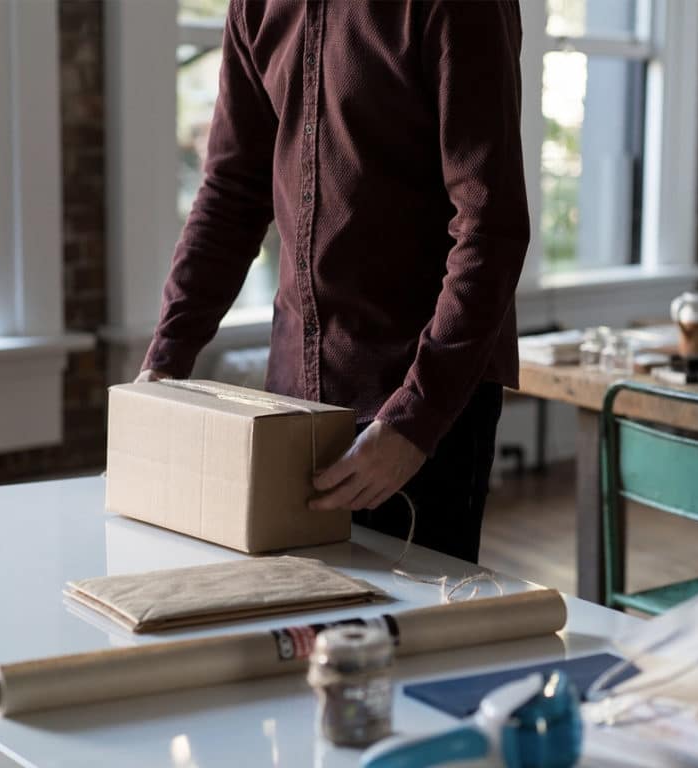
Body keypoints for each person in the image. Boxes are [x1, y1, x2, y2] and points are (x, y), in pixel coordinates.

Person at [139, 0, 529, 563]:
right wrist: (164, 364)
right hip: (290, 406)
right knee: (296, 634)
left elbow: (490, 227)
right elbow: (231, 194)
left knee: (408, 641)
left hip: (420, 403)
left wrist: (414, 421)